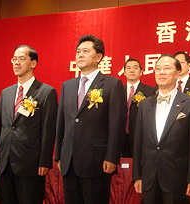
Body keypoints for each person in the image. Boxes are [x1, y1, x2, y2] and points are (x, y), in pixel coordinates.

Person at [54, 35, 126, 204]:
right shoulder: (68, 85)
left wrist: (112, 157)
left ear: (99, 57)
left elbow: (116, 124)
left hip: (96, 160)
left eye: (85, 51)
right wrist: (59, 155)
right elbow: (61, 122)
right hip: (69, 160)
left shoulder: (111, 84)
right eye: (78, 51)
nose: (80, 55)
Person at [133, 54, 190, 204]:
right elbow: (138, 142)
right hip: (149, 176)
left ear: (178, 73)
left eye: (167, 68)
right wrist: (137, 175)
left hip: (177, 177)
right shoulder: (145, 105)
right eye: (158, 69)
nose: (161, 72)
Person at [0, 45, 58, 204]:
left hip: (30, 164)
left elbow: (48, 131)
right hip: (5, 163)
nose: (16, 63)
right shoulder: (6, 93)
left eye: (21, 59)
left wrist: (44, 161)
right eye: (14, 59)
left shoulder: (46, 92)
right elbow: (0, 128)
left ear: (33, 63)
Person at [123, 58, 155, 158]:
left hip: (141, 136)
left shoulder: (150, 91)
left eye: (135, 68)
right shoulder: (118, 90)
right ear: (124, 72)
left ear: (141, 72)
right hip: (121, 137)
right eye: (128, 68)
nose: (132, 70)